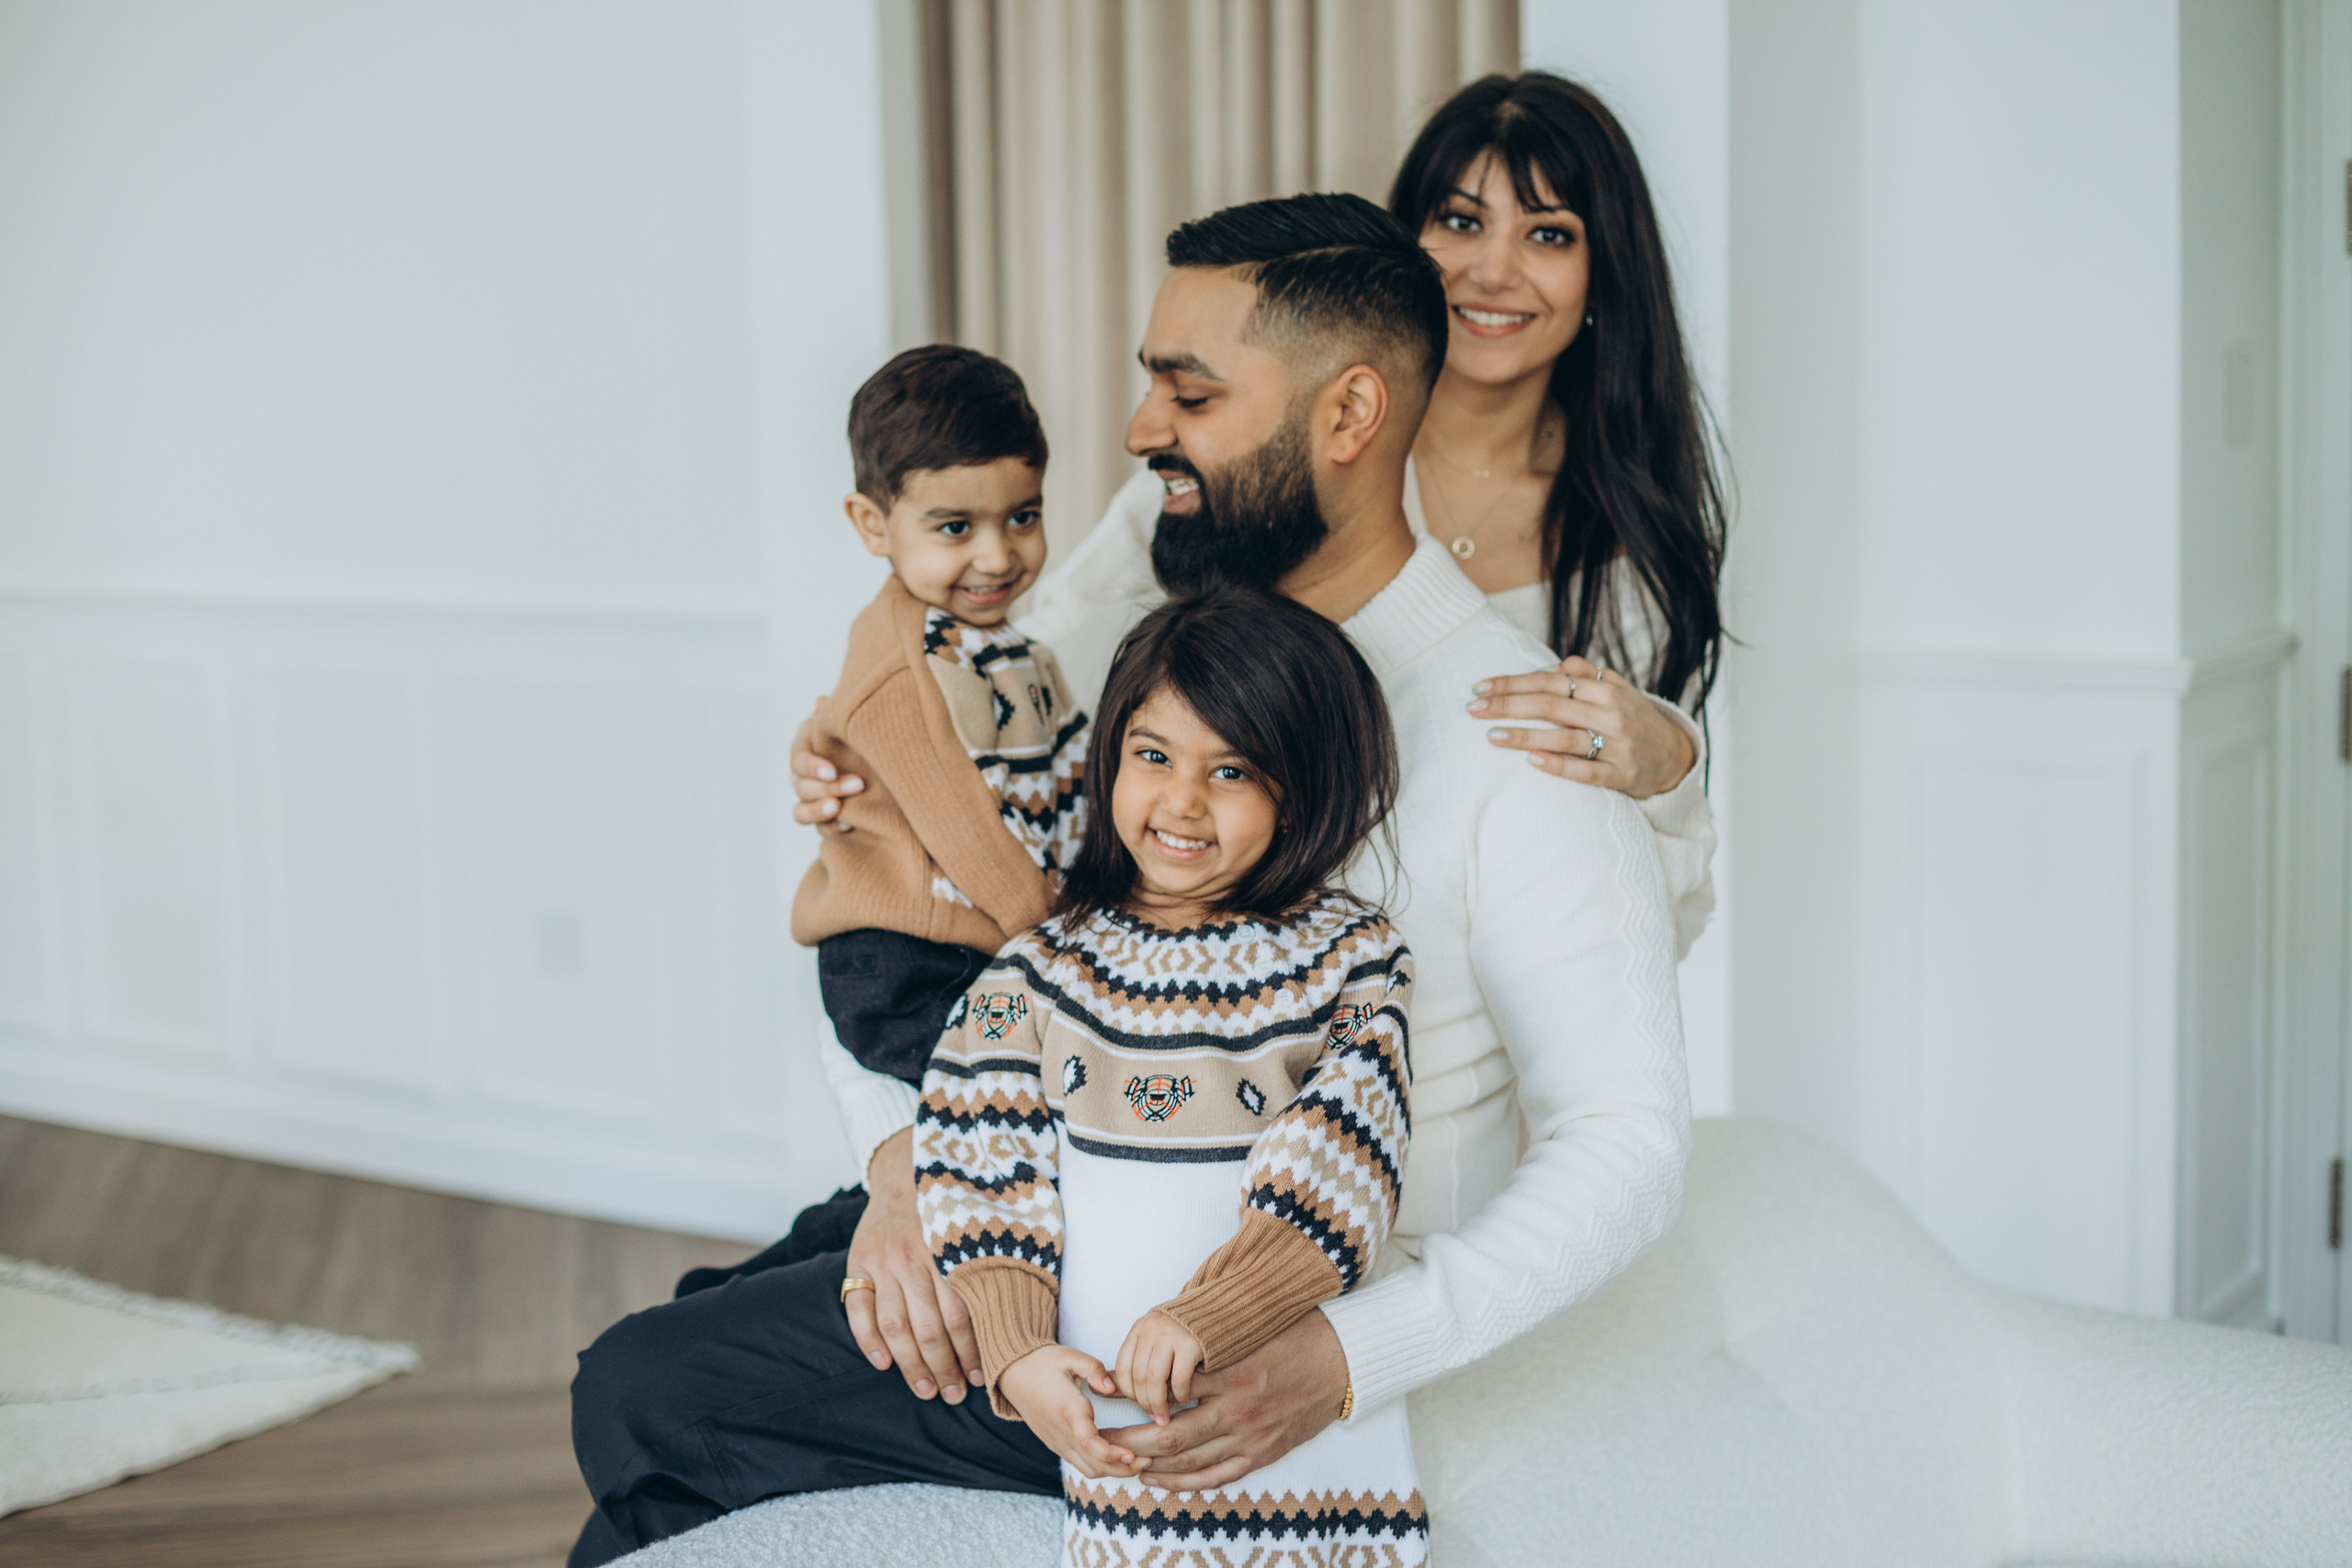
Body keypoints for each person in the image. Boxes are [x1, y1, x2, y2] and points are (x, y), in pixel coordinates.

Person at [566, 188, 1685, 1565]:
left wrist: (1341, 1355)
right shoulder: (1134, 664)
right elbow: (942, 925)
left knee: (646, 1386)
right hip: (1034, 1194)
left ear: (1346, 417)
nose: (1142, 429)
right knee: (724, 1302)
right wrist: (909, 1164)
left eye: (1188, 392)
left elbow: (1627, 1144)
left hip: (1214, 1341)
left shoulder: (1523, 733)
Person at [802, 72, 1725, 955]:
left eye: (1549, 235)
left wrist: (1670, 771)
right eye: (1459, 220)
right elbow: (1020, 662)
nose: (1490, 269)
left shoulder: (1625, 552)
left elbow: (1644, 928)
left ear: (1605, 273)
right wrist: (870, 740)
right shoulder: (1242, 475)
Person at [920, 586, 1422, 1565]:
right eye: (1152, 757)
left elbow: (1344, 1162)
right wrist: (1017, 1349)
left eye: (1231, 769)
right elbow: (977, 1160)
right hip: (1118, 1428)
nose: (1182, 801)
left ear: (1303, 789)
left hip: (1298, 1426)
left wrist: (1214, 1314)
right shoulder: (1038, 972)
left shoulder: (1351, 960)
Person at [788, 344, 1087, 1095]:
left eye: (1023, 516)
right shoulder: (906, 658)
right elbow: (963, 823)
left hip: (990, 937)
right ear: (873, 523)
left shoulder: (1014, 646)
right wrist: (1052, 938)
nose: (996, 555)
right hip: (906, 958)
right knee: (1012, 1102)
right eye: (955, 527)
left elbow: (1077, 768)